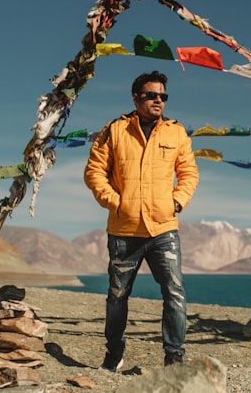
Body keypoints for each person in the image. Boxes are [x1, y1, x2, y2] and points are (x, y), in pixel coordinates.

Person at [84, 70, 199, 372]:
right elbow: (94, 171)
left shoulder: (176, 132)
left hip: (163, 229)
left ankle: (174, 358)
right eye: (152, 95)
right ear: (136, 98)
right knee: (117, 295)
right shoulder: (115, 130)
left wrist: (176, 201)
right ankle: (113, 353)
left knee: (174, 292)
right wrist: (115, 202)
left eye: (163, 96)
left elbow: (189, 173)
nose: (159, 100)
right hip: (124, 230)